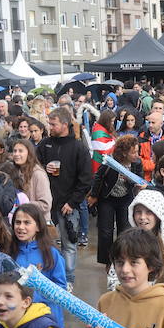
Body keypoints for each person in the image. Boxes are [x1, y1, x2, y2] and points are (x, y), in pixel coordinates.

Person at [37, 107, 94, 289]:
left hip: (68, 206)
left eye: (53, 124)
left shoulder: (79, 148)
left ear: (64, 124)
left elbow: (86, 179)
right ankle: (50, 277)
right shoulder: (45, 144)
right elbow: (34, 166)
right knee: (47, 243)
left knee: (69, 245)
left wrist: (72, 202)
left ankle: (67, 280)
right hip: (47, 205)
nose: (50, 127)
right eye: (49, 123)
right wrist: (44, 168)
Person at [108, 190, 164, 292]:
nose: (142, 217)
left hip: (163, 302)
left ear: (159, 214)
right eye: (138, 212)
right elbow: (112, 278)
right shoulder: (127, 242)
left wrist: (156, 289)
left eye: (149, 212)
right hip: (130, 302)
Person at [88, 136, 145, 269]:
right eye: (133, 152)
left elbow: (140, 180)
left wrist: (131, 181)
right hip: (107, 198)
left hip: (126, 198)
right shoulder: (111, 161)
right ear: (124, 152)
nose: (136, 155)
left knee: (125, 230)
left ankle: (122, 258)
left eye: (137, 151)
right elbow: (98, 176)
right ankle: (107, 262)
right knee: (106, 231)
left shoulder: (137, 163)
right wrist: (94, 195)